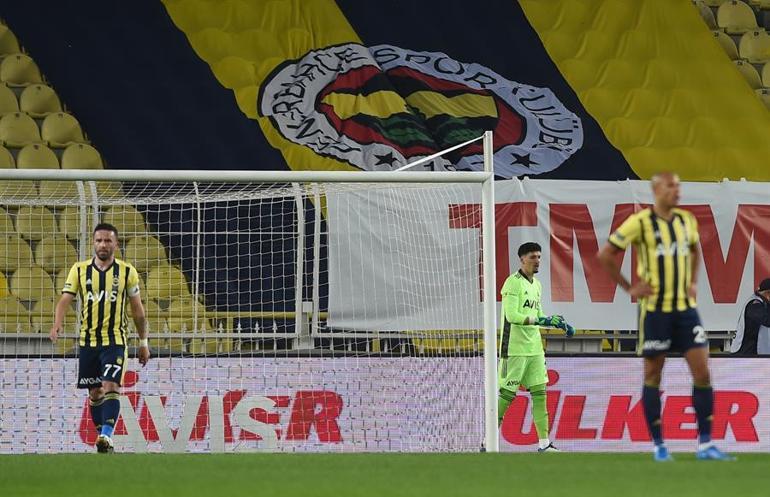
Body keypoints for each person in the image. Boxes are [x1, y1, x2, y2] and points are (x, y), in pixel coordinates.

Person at [598, 172, 733, 461]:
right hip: (656, 311)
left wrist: (694, 281)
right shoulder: (641, 222)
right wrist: (630, 287)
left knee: (703, 371)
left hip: (685, 309)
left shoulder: (687, 220)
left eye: (679, 185)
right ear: (657, 190)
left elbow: (695, 251)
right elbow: (606, 254)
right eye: (671, 186)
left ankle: (706, 443)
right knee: (653, 374)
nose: (677, 190)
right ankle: (659, 445)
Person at [50, 223, 150, 453]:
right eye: (99, 240)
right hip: (87, 343)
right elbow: (65, 299)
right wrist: (57, 323)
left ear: (116, 244)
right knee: (95, 393)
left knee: (111, 386)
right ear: (93, 243)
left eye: (107, 240)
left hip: (115, 341)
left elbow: (137, 311)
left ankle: (106, 435)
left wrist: (143, 343)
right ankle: (103, 441)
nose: (103, 244)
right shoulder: (79, 269)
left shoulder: (127, 272)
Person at [498, 241, 575, 452]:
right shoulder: (512, 283)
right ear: (522, 259)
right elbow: (512, 316)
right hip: (513, 348)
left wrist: (555, 322)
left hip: (534, 348)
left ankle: (544, 444)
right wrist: (542, 321)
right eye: (533, 257)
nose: (537, 261)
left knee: (540, 394)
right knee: (507, 395)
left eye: (539, 257)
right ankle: (487, 442)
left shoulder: (537, 285)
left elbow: (539, 315)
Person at [731, 278, 770, 355]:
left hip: (754, 351)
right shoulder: (754, 304)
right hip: (745, 352)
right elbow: (767, 320)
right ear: (768, 293)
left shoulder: (764, 303)